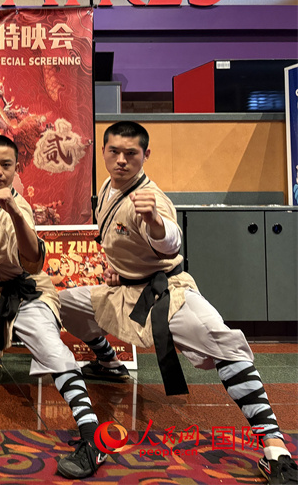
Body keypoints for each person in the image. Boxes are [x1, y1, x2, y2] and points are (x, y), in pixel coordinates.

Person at [58, 121, 298, 485]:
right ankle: (108, 363)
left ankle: (275, 449)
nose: (121, 160)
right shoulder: (107, 188)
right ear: (103, 152)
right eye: (114, 152)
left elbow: (170, 240)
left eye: (131, 154)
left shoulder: (152, 198)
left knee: (225, 343)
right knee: (65, 303)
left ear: (146, 155)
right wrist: (117, 270)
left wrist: (154, 219)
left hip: (166, 295)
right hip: (125, 291)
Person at [0, 135, 105, 480]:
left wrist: (15, 213)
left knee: (52, 351)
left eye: (6, 165)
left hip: (28, 293)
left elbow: (32, 259)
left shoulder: (18, 208)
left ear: (17, 168)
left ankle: (92, 436)